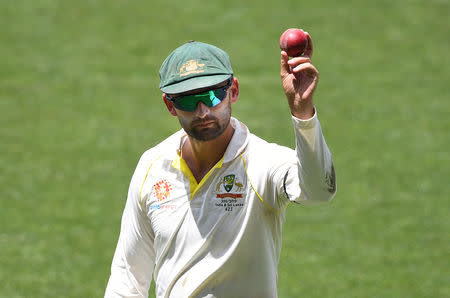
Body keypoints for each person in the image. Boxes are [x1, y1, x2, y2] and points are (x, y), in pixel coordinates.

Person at [105, 36, 336, 298]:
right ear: (170, 105)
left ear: (233, 91)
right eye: (188, 101)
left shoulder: (263, 163)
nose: (203, 111)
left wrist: (302, 112)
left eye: (213, 95)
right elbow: (128, 278)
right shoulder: (152, 166)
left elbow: (319, 191)